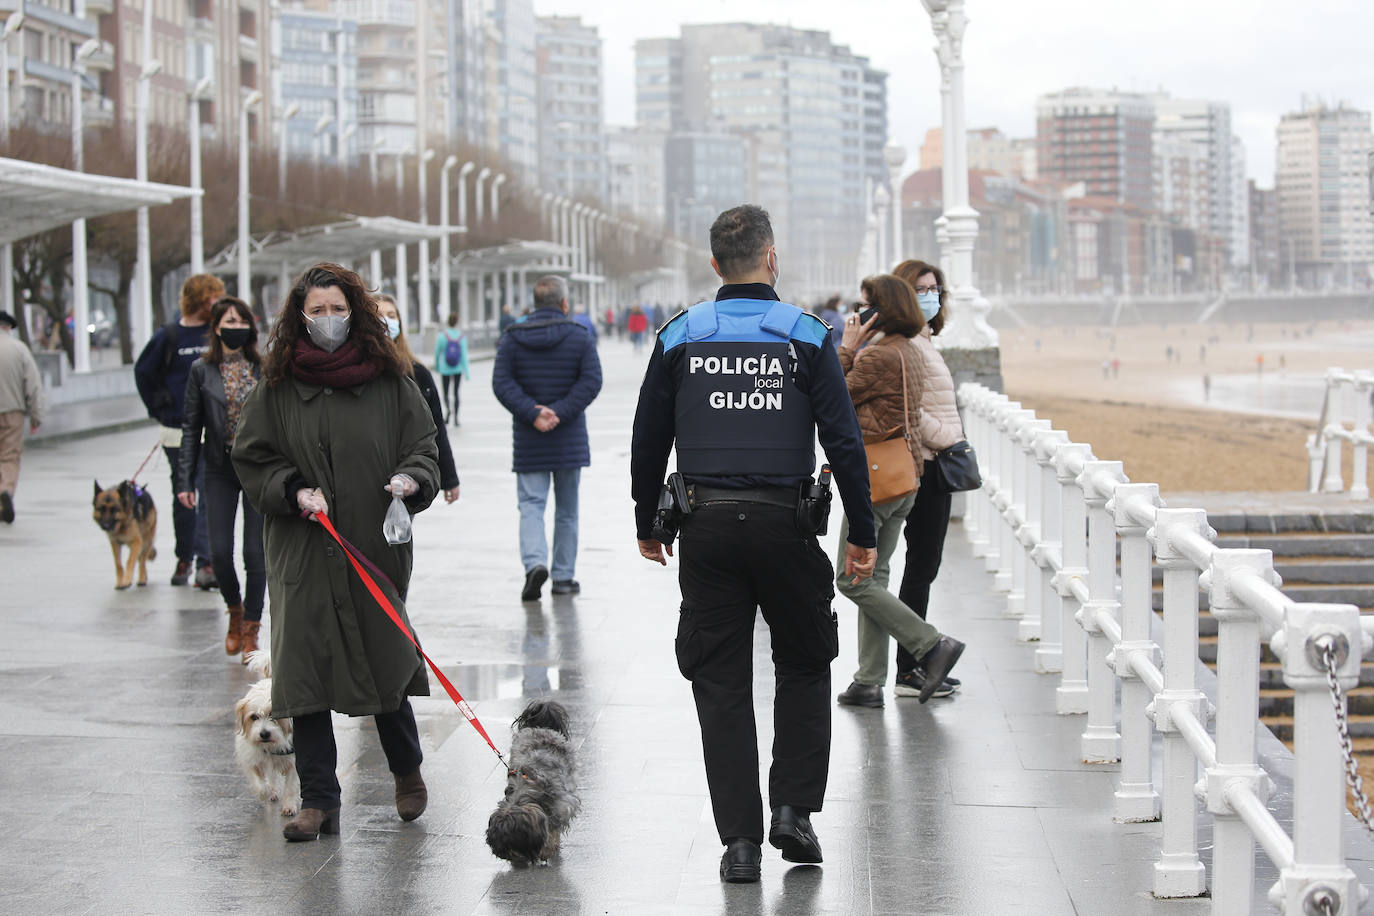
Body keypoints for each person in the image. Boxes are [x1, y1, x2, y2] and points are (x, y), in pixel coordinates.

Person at [630, 204, 878, 885]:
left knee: (720, 682)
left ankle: (739, 844)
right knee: (803, 665)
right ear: (772, 258)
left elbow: (648, 438)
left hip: (706, 530)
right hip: (787, 529)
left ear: (715, 265)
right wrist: (864, 529)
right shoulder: (805, 334)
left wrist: (646, 520)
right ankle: (793, 811)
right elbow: (844, 441)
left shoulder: (680, 335)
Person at [231, 263, 440, 842]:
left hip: (371, 547)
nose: (328, 321)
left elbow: (423, 447)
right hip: (302, 552)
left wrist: (410, 479)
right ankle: (319, 799)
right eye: (317, 311)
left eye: (338, 309)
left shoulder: (391, 381)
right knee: (306, 673)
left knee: (386, 659)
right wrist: (292, 489)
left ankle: (407, 772)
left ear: (358, 312)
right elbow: (250, 457)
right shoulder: (276, 388)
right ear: (300, 317)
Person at [833, 273, 966, 711]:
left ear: (881, 311)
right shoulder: (908, 351)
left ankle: (931, 644)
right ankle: (869, 680)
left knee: (851, 579)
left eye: (865, 305)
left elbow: (830, 396)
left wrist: (849, 346)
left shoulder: (879, 357)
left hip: (874, 482)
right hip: (903, 478)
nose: (858, 313)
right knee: (875, 577)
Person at [492, 275, 602, 601]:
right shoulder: (579, 337)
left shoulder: (512, 339)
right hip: (568, 438)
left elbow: (502, 384)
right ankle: (564, 577)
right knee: (567, 510)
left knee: (531, 505)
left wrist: (533, 412)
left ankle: (535, 563)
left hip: (529, 438)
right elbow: (592, 381)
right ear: (564, 304)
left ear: (533, 305)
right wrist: (560, 412)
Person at [890, 259, 970, 698]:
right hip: (925, 464)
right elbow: (910, 408)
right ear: (902, 292)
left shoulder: (923, 339)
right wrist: (949, 438)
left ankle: (915, 662)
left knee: (925, 566)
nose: (930, 295)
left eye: (935, 288)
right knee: (920, 566)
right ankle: (909, 669)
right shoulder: (907, 343)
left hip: (932, 463)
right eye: (921, 288)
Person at [175, 296, 266, 663]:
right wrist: (184, 480)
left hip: (258, 467)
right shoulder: (202, 370)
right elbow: (190, 428)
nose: (236, 326)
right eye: (229, 320)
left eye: (241, 320)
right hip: (218, 467)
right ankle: (234, 611)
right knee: (218, 552)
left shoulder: (264, 367)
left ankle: (252, 629)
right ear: (216, 327)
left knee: (255, 554)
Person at [134, 274, 220, 589]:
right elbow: (144, 372)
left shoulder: (218, 332)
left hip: (214, 431)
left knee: (207, 495)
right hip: (177, 432)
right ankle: (184, 556)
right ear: (198, 300)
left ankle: (205, 562)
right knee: (183, 496)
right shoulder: (169, 335)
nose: (216, 302)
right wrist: (161, 407)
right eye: (211, 297)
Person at [377, 295, 461, 505]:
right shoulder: (356, 374)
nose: (386, 321)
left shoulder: (418, 373)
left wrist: (449, 478)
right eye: (378, 315)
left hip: (406, 476)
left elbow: (436, 428)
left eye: (391, 315)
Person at [0, 310, 44, 524]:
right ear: (8, 327)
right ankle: (6, 491)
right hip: (12, 412)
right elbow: (33, 385)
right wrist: (36, 416)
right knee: (9, 456)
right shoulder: (19, 349)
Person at [433, 312, 469, 426]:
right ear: (457, 322)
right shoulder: (461, 337)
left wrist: (437, 367)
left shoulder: (442, 335)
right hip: (457, 368)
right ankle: (456, 418)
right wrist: (466, 372)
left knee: (446, 392)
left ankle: (448, 411)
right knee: (456, 393)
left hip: (445, 368)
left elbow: (437, 352)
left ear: (448, 322)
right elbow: (463, 355)